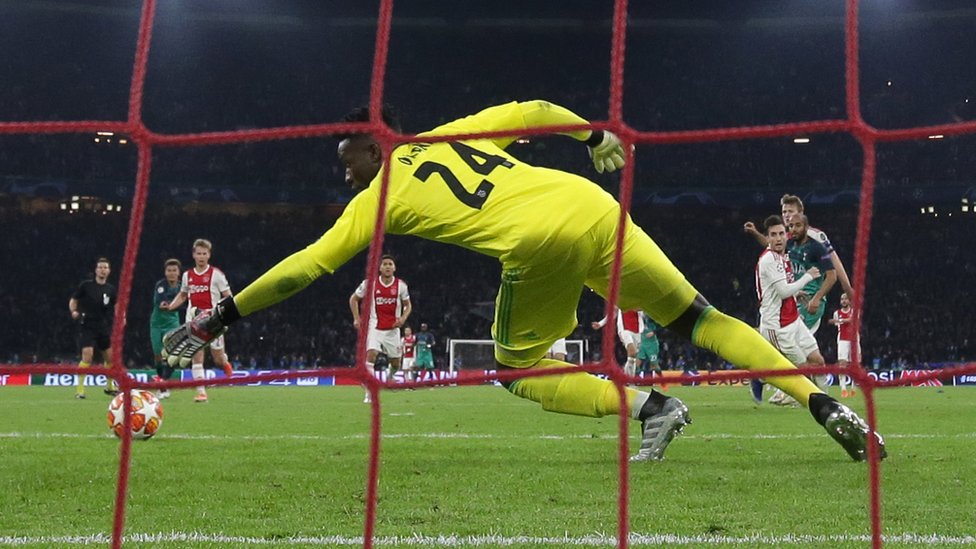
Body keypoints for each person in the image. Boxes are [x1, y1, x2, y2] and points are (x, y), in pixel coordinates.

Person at [164, 99, 885, 462]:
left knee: (513, 368)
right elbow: (537, 109)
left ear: (369, 141)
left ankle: (651, 406)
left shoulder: (373, 195)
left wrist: (220, 317)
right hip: (593, 204)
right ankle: (822, 403)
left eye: (343, 152)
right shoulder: (451, 134)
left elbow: (308, 266)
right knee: (698, 316)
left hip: (540, 241)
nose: (341, 166)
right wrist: (594, 134)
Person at [755, 216, 829, 407]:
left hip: (793, 320)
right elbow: (783, 291)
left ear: (786, 235)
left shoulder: (783, 256)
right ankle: (804, 399)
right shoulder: (769, 260)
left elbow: (785, 290)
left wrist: (798, 293)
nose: (778, 238)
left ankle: (827, 400)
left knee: (818, 361)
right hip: (777, 326)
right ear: (768, 238)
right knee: (803, 367)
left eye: (781, 233)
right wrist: (807, 277)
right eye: (773, 235)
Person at [743, 193, 854, 299]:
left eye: (790, 211)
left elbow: (835, 262)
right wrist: (755, 233)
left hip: (811, 294)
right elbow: (770, 244)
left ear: (801, 213)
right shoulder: (787, 235)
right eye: (784, 212)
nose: (786, 215)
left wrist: (847, 289)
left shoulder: (815, 235)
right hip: (794, 292)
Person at [163, 239, 233, 402]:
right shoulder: (188, 275)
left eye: (204, 253)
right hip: (193, 321)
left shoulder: (217, 275)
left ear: (209, 255)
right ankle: (201, 392)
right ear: (194, 255)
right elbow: (183, 294)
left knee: (218, 359)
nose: (201, 257)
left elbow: (228, 297)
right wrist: (172, 306)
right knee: (195, 354)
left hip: (214, 321)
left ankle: (226, 366)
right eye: (198, 253)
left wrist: (222, 314)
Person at [350, 254, 412, 402]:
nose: (388, 266)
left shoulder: (401, 286)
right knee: (371, 354)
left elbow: (408, 305)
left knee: (396, 363)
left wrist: (403, 318)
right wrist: (356, 318)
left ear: (394, 268)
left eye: (390, 264)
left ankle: (390, 378)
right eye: (385, 264)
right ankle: (369, 392)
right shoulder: (369, 283)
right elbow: (354, 299)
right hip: (374, 327)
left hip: (393, 330)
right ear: (379, 268)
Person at [69, 257, 118, 398]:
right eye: (100, 267)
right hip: (88, 325)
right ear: (96, 270)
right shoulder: (86, 286)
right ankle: (79, 390)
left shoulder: (110, 289)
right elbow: (74, 299)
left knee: (110, 359)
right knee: (88, 356)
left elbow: (116, 305)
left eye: (105, 268)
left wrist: (122, 316)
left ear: (109, 271)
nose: (103, 270)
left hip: (103, 326)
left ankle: (110, 387)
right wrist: (73, 311)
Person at [787, 214, 837, 334]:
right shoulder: (788, 244)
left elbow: (832, 276)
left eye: (798, 225)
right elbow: (769, 244)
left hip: (809, 301)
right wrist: (755, 233)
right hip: (794, 297)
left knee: (795, 338)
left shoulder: (816, 248)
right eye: (791, 226)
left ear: (806, 227)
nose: (794, 229)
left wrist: (817, 298)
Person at [151, 258, 183, 399]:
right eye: (169, 270)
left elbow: (182, 303)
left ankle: (163, 384)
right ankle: (162, 384)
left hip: (172, 324)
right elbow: (161, 304)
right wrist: (173, 305)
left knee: (171, 355)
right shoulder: (161, 285)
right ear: (165, 272)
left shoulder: (182, 287)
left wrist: (172, 305)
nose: (171, 273)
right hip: (156, 324)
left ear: (178, 272)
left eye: (174, 270)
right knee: (158, 355)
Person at [591, 308, 643, 379]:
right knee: (632, 352)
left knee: (632, 357)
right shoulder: (621, 298)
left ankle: (629, 379)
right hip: (624, 329)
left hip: (638, 330)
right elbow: (613, 312)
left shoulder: (640, 298)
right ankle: (627, 379)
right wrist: (600, 323)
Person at [829, 292, 860, 397]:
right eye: (842, 299)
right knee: (842, 364)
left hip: (854, 339)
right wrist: (839, 320)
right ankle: (843, 389)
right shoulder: (836, 313)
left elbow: (852, 320)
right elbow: (837, 324)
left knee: (855, 364)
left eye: (846, 299)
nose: (843, 301)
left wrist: (840, 320)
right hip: (842, 339)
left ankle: (853, 388)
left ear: (850, 301)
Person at [637, 312, 667, 390]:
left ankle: (663, 382)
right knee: (636, 364)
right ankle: (636, 382)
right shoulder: (637, 315)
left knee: (654, 366)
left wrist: (654, 332)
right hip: (642, 343)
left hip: (652, 344)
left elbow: (662, 324)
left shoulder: (651, 315)